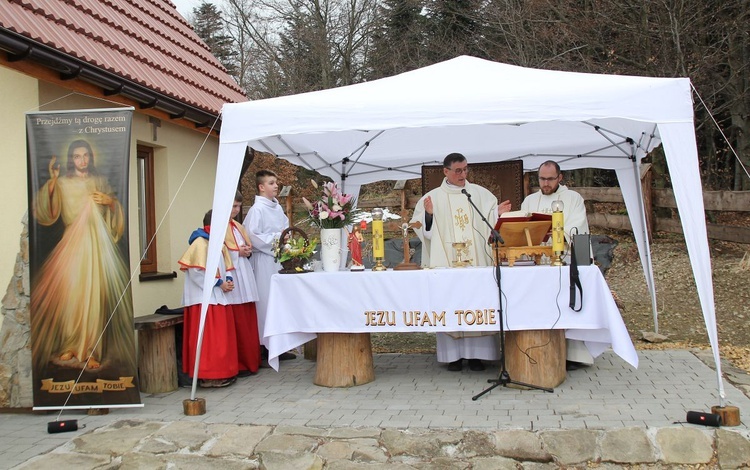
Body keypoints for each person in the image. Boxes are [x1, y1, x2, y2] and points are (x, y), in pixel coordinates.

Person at [31, 139, 136, 374]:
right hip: (71, 247)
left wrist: (110, 202)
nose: (82, 160)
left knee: (94, 298)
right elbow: (44, 213)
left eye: (86, 155)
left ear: (91, 157)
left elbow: (115, 209)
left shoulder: (99, 181)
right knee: (71, 298)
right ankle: (70, 345)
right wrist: (52, 181)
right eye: (77, 156)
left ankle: (91, 349)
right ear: (72, 159)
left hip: (96, 248)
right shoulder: (62, 183)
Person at [411, 153, 511, 372]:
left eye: (465, 169)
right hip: (448, 265)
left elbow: (490, 221)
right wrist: (429, 215)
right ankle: (453, 357)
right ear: (445, 171)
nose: (463, 174)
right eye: (458, 170)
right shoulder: (432, 197)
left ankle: (478, 356)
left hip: (476, 263)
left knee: (477, 301)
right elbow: (422, 229)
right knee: (452, 302)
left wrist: (497, 213)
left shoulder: (479, 193)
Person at [520, 160, 592, 368]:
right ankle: (540, 350)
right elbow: (524, 228)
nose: (546, 183)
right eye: (542, 179)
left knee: (566, 306)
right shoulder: (530, 201)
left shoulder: (573, 199)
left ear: (560, 178)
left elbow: (576, 226)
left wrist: (552, 232)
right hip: (537, 265)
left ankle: (572, 354)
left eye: (550, 179)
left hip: (564, 263)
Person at [179, 210, 239, 388]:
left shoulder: (217, 243)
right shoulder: (200, 243)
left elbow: (226, 266)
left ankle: (222, 372)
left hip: (218, 297)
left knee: (220, 339)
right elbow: (195, 271)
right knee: (209, 341)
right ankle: (208, 375)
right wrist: (219, 283)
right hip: (204, 299)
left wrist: (227, 280)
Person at [243, 170, 296, 361]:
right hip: (264, 261)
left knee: (279, 301)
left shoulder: (277, 207)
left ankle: (279, 345)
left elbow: (285, 229)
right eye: (272, 183)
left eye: (276, 183)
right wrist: (279, 239)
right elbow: (253, 236)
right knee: (266, 302)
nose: (276, 186)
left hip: (278, 260)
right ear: (261, 187)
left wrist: (288, 239)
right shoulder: (257, 210)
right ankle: (263, 347)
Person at [225, 192, 262, 376]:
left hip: (244, 272)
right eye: (233, 206)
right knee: (236, 318)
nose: (236, 210)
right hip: (231, 273)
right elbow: (216, 251)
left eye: (238, 206)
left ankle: (251, 361)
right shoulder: (217, 226)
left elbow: (245, 246)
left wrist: (246, 251)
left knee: (247, 316)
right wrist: (236, 252)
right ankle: (239, 363)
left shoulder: (238, 226)